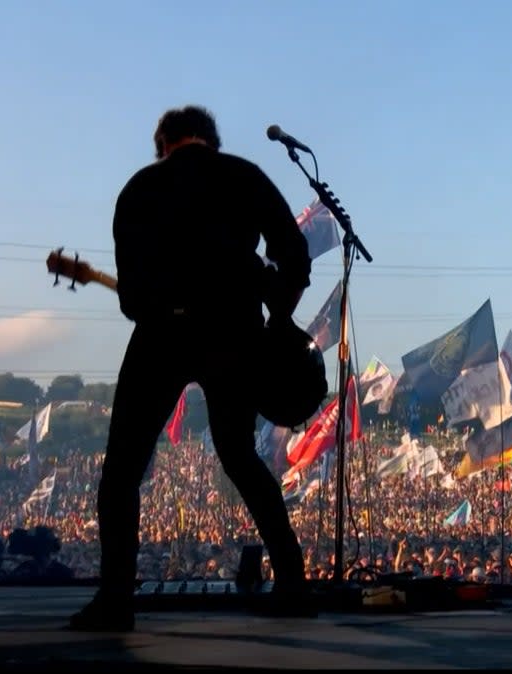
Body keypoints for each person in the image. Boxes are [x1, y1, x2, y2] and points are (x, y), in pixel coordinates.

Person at [68, 105, 313, 631]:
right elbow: (293, 250)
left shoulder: (139, 189)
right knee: (240, 458)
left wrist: (162, 308)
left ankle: (115, 602)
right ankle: (293, 583)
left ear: (163, 144)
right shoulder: (244, 175)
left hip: (162, 334)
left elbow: (131, 296)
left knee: (122, 474)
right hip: (235, 330)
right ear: (210, 139)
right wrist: (277, 316)